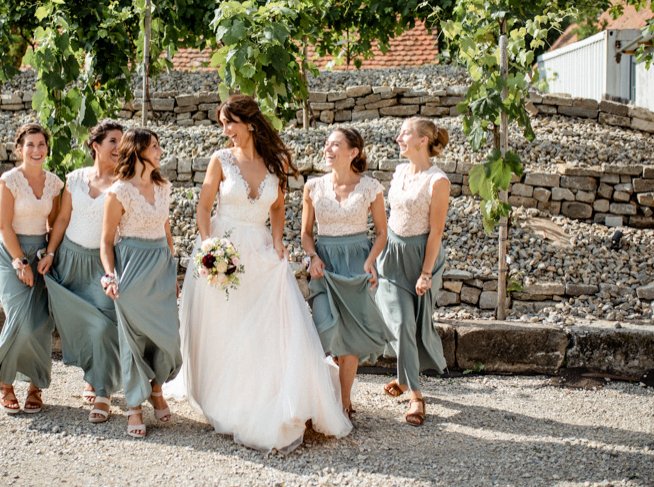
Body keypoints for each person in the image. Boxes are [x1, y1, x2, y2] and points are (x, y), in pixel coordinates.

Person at [174, 94, 352, 453]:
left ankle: (269, 394)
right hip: (223, 249)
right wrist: (210, 248)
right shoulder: (220, 160)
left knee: (267, 327)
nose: (225, 131)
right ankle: (223, 396)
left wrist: (276, 241)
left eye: (230, 123)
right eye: (222, 124)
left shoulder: (276, 162)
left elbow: (278, 206)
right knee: (225, 325)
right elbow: (204, 207)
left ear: (250, 123)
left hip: (260, 251)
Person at [301, 127, 393, 419]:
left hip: (357, 264)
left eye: (335, 145)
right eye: (326, 144)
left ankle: (343, 401)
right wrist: (312, 256)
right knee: (324, 327)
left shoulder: (370, 187)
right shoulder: (313, 186)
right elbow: (305, 233)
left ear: (353, 152)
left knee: (350, 336)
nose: (328, 149)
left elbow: (381, 233)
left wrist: (370, 262)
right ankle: (314, 394)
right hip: (324, 266)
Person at [40, 119, 124, 423]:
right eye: (112, 141)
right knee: (77, 324)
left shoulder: (125, 183)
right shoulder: (75, 178)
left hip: (101, 264)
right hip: (69, 260)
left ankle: (102, 393)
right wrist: (50, 252)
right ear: (95, 146)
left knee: (103, 326)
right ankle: (94, 375)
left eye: (122, 141)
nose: (119, 147)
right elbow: (62, 220)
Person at [100, 128, 180, 438]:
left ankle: (156, 388)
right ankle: (134, 406)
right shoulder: (119, 192)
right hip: (131, 267)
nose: (160, 152)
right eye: (155, 147)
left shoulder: (163, 187)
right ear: (139, 151)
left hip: (160, 265)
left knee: (169, 338)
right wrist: (110, 274)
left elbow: (167, 230)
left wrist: (172, 271)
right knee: (132, 341)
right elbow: (106, 241)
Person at [0, 123, 64, 414]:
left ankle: (35, 385)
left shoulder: (54, 183)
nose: (36, 150)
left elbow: (53, 224)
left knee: (41, 323)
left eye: (41, 144)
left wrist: (50, 254)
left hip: (41, 255)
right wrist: (20, 262)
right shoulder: (9, 181)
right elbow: (4, 225)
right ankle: (3, 382)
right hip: (11, 253)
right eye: (30, 144)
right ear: (20, 149)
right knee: (20, 319)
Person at [375, 117, 451, 426]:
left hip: (421, 257)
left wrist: (426, 273)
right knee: (402, 320)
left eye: (404, 133)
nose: (398, 138)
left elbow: (436, 232)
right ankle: (415, 395)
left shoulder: (438, 181)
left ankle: (407, 382)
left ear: (422, 141)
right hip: (391, 256)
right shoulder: (399, 171)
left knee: (414, 322)